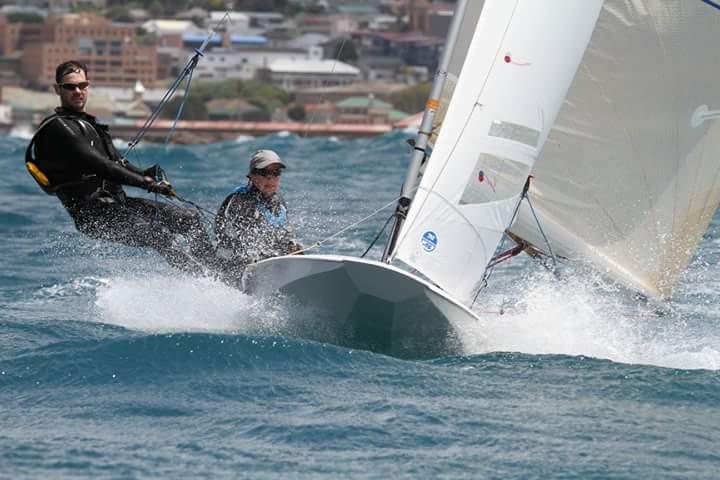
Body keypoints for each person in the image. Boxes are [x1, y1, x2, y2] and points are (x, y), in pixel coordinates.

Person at [25, 60, 215, 272]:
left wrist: (145, 173)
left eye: (82, 85)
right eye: (70, 87)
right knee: (161, 236)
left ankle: (216, 268)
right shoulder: (59, 128)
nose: (78, 91)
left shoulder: (89, 124)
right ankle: (205, 280)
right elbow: (101, 165)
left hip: (119, 204)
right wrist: (146, 183)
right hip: (93, 215)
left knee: (189, 219)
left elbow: (117, 162)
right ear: (57, 89)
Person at [215, 149, 302, 285]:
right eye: (264, 173)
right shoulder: (240, 203)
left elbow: (280, 238)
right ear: (252, 176)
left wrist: (293, 249)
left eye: (276, 173)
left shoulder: (279, 202)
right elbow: (247, 248)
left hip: (265, 268)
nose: (271, 178)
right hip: (232, 272)